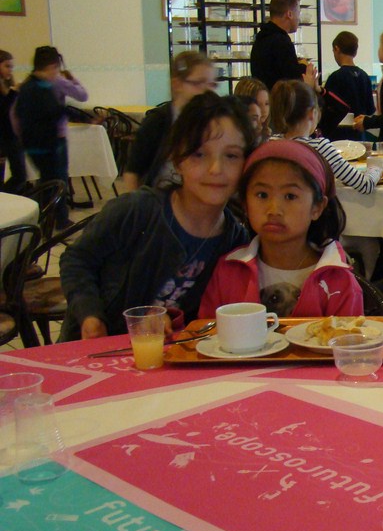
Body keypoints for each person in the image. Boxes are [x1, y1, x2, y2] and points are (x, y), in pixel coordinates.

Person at [59, 93, 254, 340]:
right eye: (199, 154)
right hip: (96, 347)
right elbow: (76, 260)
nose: (216, 169)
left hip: (165, 356)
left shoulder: (235, 242)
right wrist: (90, 314)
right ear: (177, 159)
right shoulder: (138, 210)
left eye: (231, 156)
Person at [199, 138, 362, 318]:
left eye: (290, 196)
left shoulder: (338, 280)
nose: (274, 210)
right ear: (245, 203)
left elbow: (350, 334)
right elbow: (207, 330)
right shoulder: (229, 271)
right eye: (262, 195)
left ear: (317, 207)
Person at [13, 45, 88, 227]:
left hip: (36, 143)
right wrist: (79, 116)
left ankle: (51, 218)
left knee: (49, 181)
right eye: (55, 68)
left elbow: (15, 115)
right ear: (51, 66)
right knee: (56, 181)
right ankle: (58, 219)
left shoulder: (28, 86)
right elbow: (57, 109)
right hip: (47, 143)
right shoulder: (38, 88)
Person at [125, 52, 218, 191]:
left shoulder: (215, 120)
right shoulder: (158, 121)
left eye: (212, 84)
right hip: (162, 195)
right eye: (198, 83)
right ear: (177, 84)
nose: (207, 90)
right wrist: (135, 202)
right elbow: (133, 171)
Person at [270, 79, 380, 195]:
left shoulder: (270, 143)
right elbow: (365, 185)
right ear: (312, 113)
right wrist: (375, 170)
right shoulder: (320, 147)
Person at [250, 0, 318, 91]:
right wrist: (304, 66)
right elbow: (292, 81)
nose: (299, 19)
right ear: (289, 14)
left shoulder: (261, 38)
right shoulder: (281, 42)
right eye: (298, 13)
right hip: (279, 99)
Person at [321, 31, 375, 141]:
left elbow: (327, 108)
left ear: (336, 49)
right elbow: (370, 109)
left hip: (339, 132)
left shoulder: (335, 77)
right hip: (360, 132)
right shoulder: (365, 76)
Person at [0, 48, 27, 193]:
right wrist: (14, 92)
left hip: (13, 136)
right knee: (19, 176)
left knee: (20, 175)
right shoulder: (9, 91)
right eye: (7, 66)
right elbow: (3, 111)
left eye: (11, 66)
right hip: (5, 137)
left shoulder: (7, 86)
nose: (10, 70)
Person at [233, 76, 271, 144]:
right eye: (258, 104)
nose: (264, 110)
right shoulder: (236, 139)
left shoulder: (267, 134)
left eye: (267, 103)